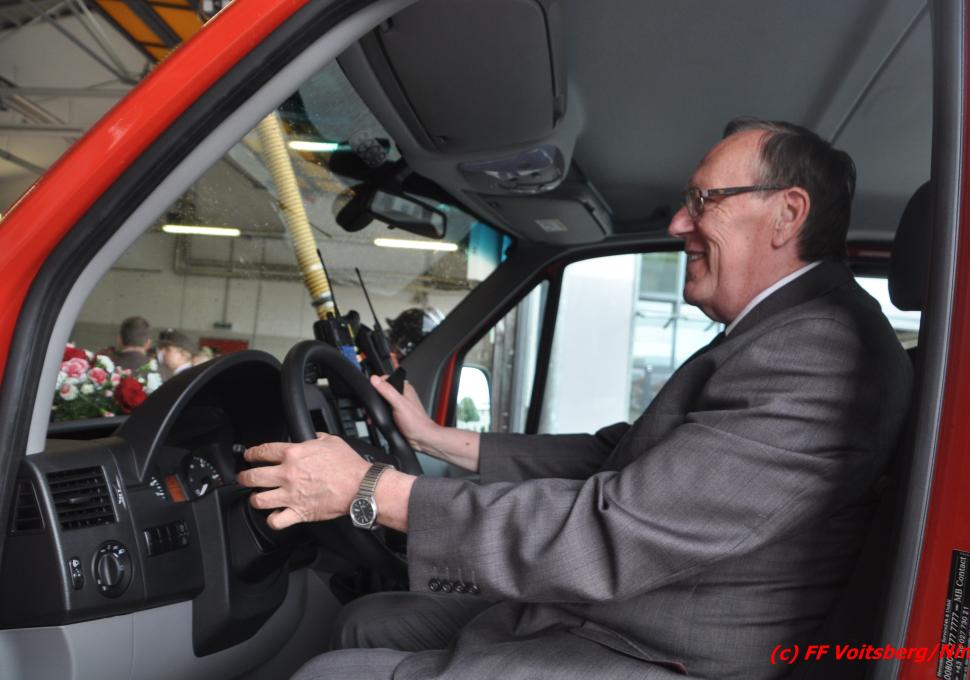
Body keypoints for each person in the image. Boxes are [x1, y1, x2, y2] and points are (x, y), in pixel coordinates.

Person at [238, 119, 913, 680]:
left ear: (787, 214)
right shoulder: (780, 331)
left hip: (663, 649)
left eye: (704, 200)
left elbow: (615, 530)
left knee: (330, 672)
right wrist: (433, 437)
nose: (679, 222)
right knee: (365, 620)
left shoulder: (818, 349)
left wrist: (370, 489)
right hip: (632, 610)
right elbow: (614, 457)